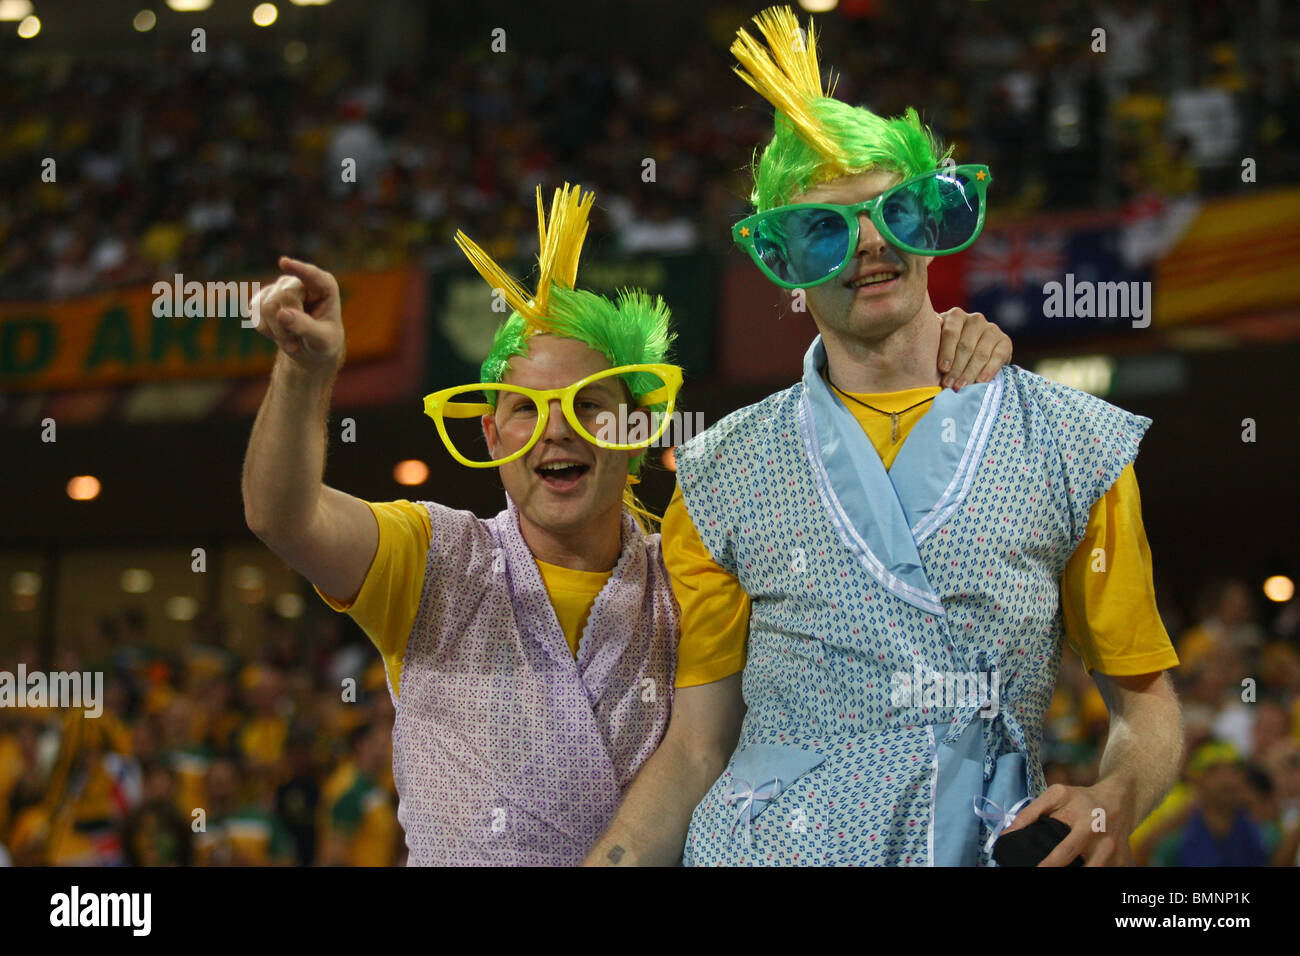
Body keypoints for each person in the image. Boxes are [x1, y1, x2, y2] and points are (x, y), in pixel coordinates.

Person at [243, 183, 1007, 865]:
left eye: (588, 406)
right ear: (490, 437)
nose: (557, 432)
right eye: (525, 411)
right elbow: (283, 515)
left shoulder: (694, 576)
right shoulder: (432, 559)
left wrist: (934, 359)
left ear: (637, 428)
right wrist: (303, 375)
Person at [585, 5, 1182, 867]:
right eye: (826, 228)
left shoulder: (1068, 444)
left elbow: (1146, 701)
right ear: (784, 258)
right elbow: (696, 749)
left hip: (982, 843)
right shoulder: (720, 471)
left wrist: (1118, 796)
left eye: (895, 212)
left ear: (930, 222)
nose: (870, 245)